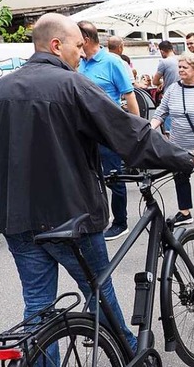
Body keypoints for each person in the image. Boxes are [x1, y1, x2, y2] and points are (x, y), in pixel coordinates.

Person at [0, 13, 194, 360]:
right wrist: (188, 157)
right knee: (99, 290)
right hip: (70, 214)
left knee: (38, 305)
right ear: (56, 45)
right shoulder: (71, 85)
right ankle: (131, 355)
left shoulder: (3, 88)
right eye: (76, 47)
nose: (81, 55)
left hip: (17, 216)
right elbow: (129, 133)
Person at [78, 20, 139, 241]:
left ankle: (120, 221)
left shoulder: (112, 62)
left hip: (107, 130)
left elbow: (129, 95)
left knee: (114, 177)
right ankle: (98, 218)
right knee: (91, 178)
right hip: (85, 131)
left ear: (85, 39)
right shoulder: (79, 63)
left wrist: (137, 130)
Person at [151, 53, 194, 225]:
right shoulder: (173, 89)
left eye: (185, 67)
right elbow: (161, 112)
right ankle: (184, 212)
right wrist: (149, 129)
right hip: (178, 144)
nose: (181, 70)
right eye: (179, 67)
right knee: (180, 177)